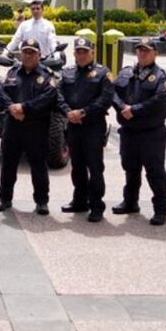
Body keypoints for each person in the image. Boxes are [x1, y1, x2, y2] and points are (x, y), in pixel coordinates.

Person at [111, 38, 166, 226]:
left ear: (155, 53)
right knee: (130, 169)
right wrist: (122, 107)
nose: (142, 53)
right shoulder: (126, 73)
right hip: (129, 131)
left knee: (155, 172)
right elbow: (111, 91)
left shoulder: (161, 76)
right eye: (139, 50)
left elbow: (160, 98)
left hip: (151, 133)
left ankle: (161, 209)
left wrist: (134, 110)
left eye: (146, 50)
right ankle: (130, 202)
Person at [0, 37, 58, 215]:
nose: (28, 55)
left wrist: (24, 108)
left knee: (38, 165)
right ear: (21, 53)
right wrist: (13, 108)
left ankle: (42, 201)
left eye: (32, 52)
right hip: (13, 126)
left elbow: (48, 97)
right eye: (25, 51)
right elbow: (3, 93)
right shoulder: (13, 72)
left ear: (39, 54)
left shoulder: (46, 75)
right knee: (8, 164)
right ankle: (4, 198)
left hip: (36, 127)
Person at [58, 37, 113, 222]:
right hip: (73, 126)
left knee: (95, 167)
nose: (81, 55)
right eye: (78, 51)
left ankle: (96, 205)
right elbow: (58, 95)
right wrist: (68, 112)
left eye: (85, 51)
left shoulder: (103, 73)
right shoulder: (67, 73)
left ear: (92, 53)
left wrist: (83, 112)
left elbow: (105, 99)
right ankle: (80, 200)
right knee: (77, 166)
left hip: (93, 126)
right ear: (74, 53)